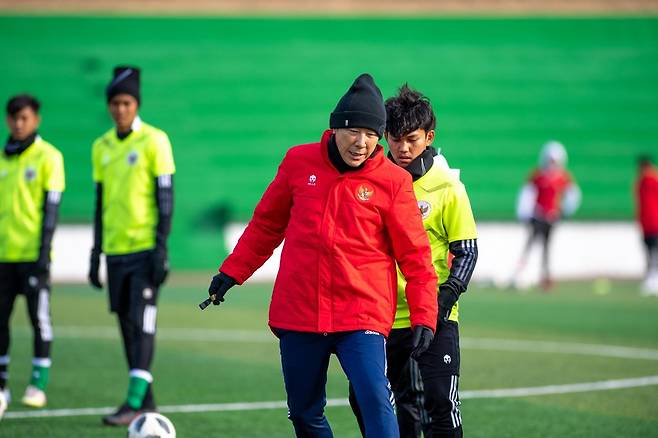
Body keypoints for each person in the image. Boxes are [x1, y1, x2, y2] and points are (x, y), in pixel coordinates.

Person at [205, 74, 438, 437]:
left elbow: (416, 258)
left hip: (362, 312)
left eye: (372, 135)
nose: (362, 143)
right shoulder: (298, 162)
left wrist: (424, 314)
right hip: (300, 310)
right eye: (354, 132)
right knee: (303, 412)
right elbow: (266, 225)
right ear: (335, 128)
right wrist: (232, 272)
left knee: (376, 400)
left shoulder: (394, 181)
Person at [349, 85, 478, 437]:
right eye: (394, 138)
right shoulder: (372, 181)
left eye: (412, 139)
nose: (403, 149)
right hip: (381, 315)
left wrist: (442, 301)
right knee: (369, 400)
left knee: (442, 404)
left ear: (429, 137)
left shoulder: (448, 188)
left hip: (434, 316)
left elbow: (467, 251)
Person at [88, 66, 175, 426]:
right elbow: (99, 203)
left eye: (126, 102)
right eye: (114, 103)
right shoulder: (101, 147)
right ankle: (145, 404)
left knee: (144, 323)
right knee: (126, 326)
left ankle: (134, 400)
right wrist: (96, 253)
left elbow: (165, 198)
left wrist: (161, 248)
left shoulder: (155, 141)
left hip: (144, 250)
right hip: (115, 252)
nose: (120, 109)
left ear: (136, 104)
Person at [0, 94, 65, 417]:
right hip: (2, 256)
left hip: (32, 256)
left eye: (24, 118)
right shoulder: (1, 158)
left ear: (36, 119)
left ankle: (37, 385)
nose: (18, 123)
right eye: (13, 118)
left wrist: (43, 253)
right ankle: (1, 386)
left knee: (39, 318)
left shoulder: (49, 157)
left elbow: (50, 210)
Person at [511, 141, 580, 290]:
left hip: (551, 219)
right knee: (529, 246)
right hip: (537, 217)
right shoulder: (538, 176)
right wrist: (525, 213)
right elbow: (526, 194)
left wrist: (564, 211)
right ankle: (519, 274)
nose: (552, 163)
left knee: (547, 249)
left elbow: (573, 195)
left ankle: (545, 277)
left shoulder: (562, 177)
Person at [635, 155, 658, 295]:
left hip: (655, 222)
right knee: (648, 251)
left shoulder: (654, 180)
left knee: (655, 252)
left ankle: (655, 278)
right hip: (645, 224)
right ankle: (650, 277)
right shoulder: (640, 182)